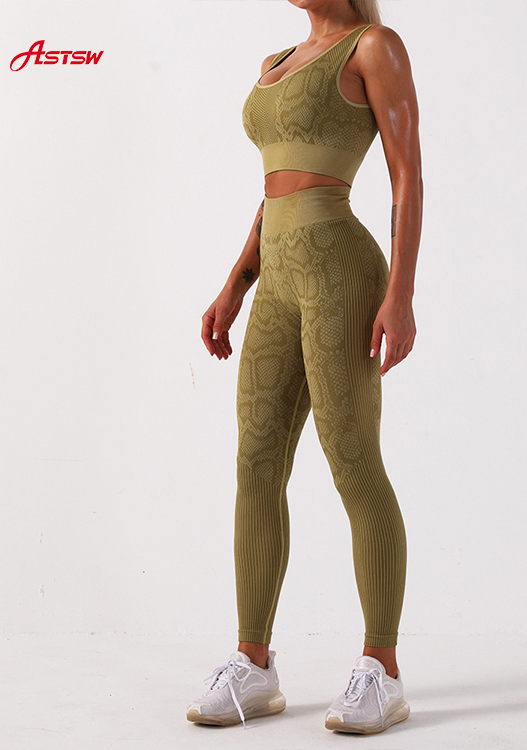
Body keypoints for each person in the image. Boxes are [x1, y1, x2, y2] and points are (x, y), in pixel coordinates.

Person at [188, 0, 422, 736]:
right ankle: (253, 664)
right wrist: (236, 282)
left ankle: (381, 669)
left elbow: (407, 174)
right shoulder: (275, 64)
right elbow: (274, 192)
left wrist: (401, 294)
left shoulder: (374, 46)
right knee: (256, 458)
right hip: (279, 274)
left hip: (340, 270)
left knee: (352, 458)